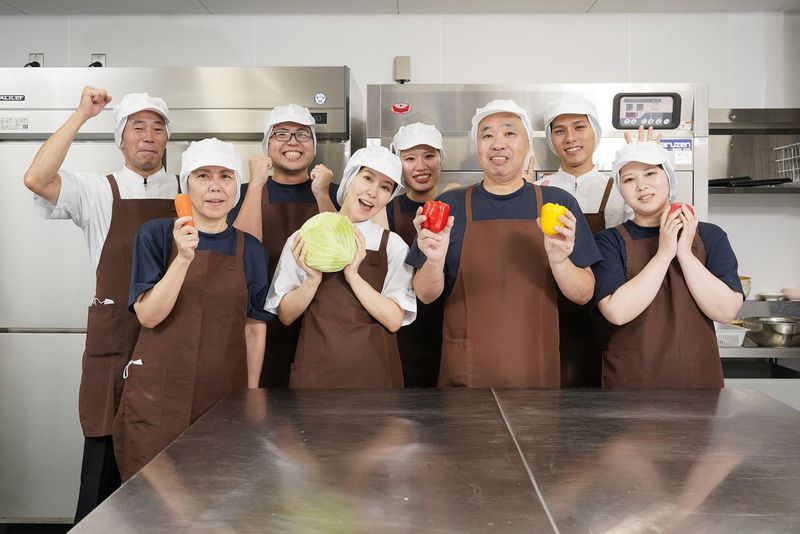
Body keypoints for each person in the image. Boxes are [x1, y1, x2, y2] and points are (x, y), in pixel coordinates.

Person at [23, 87, 178, 521]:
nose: (148, 136)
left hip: (172, 339)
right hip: (115, 342)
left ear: (167, 139)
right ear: (120, 138)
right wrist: (81, 114)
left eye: (158, 128)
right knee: (102, 466)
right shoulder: (95, 190)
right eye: (137, 127)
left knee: (173, 472)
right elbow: (36, 179)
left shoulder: (191, 189)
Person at [407, 99, 602, 388]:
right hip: (465, 373)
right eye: (487, 135)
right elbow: (424, 295)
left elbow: (584, 294)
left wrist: (560, 262)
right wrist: (434, 261)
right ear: (477, 147)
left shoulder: (558, 204)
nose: (498, 143)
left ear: (527, 144)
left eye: (509, 133)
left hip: (537, 370)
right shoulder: (448, 206)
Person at [113, 138, 270, 480]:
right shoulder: (156, 235)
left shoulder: (252, 250)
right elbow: (148, 316)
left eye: (225, 176)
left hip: (222, 396)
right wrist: (183, 259)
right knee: (153, 501)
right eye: (203, 175)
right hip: (158, 395)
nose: (215, 186)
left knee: (215, 494)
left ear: (236, 186)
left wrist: (251, 394)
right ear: (186, 184)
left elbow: (254, 328)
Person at [593, 140, 744, 388]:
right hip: (632, 382)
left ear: (669, 178)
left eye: (650, 173)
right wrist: (663, 255)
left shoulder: (710, 236)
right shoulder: (609, 241)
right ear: (621, 190)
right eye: (629, 179)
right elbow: (617, 313)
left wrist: (684, 253)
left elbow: (725, 311)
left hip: (697, 380)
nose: (642, 185)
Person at [266, 145, 416, 388]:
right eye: (367, 178)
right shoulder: (305, 237)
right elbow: (286, 315)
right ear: (349, 179)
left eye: (385, 187)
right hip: (316, 375)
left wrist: (353, 275)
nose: (373, 192)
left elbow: (393, 320)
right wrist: (312, 280)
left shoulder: (392, 245)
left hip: (376, 376)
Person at [232, 103, 338, 389]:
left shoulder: (335, 193)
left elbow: (343, 248)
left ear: (314, 146)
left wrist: (322, 194)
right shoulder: (242, 193)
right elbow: (240, 253)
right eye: (281, 134)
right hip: (257, 324)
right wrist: (256, 185)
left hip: (319, 324)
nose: (292, 142)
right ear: (267, 144)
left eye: (302, 134)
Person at [538, 95, 632, 388]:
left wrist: (644, 162)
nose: (570, 138)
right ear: (551, 140)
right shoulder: (538, 189)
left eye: (579, 127)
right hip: (549, 311)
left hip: (605, 311)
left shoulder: (620, 190)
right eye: (559, 130)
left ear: (595, 132)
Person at [387, 122, 446, 387]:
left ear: (441, 158)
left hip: (448, 320)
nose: (421, 166)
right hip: (402, 326)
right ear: (397, 162)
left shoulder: (456, 203)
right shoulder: (387, 209)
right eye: (410, 158)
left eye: (429, 156)